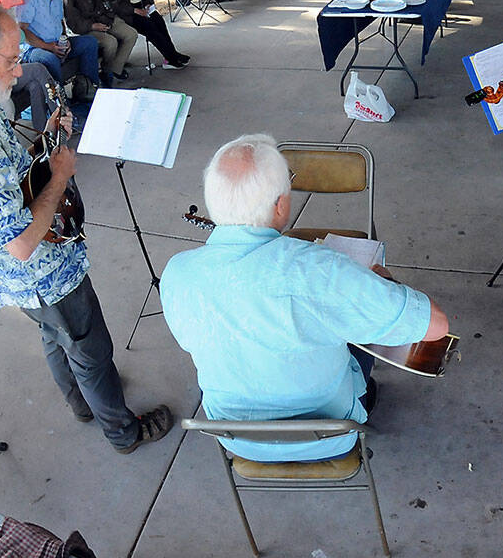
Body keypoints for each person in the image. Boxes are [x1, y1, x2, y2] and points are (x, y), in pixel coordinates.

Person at [0, 4, 173, 454]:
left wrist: (47, 139)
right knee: (90, 347)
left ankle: (83, 403)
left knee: (54, 333)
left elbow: (11, 177)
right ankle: (123, 431)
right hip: (40, 271)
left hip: (31, 282)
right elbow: (21, 242)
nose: (20, 71)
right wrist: (60, 173)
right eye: (11, 59)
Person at [160, 134, 450, 462]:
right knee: (351, 325)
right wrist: (380, 282)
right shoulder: (321, 271)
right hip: (330, 434)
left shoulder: (177, 274)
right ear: (280, 204)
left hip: (236, 437)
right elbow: (436, 326)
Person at [15, 0, 101, 90]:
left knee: (90, 43)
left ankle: (88, 90)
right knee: (50, 60)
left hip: (56, 44)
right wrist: (48, 46)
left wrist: (64, 40)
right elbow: (22, 30)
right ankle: (60, 104)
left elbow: (60, 21)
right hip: (34, 48)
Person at [63, 0, 137, 85]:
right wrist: (92, 25)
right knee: (110, 43)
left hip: (103, 18)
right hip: (85, 25)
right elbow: (72, 18)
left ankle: (115, 70)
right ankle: (106, 72)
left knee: (131, 34)